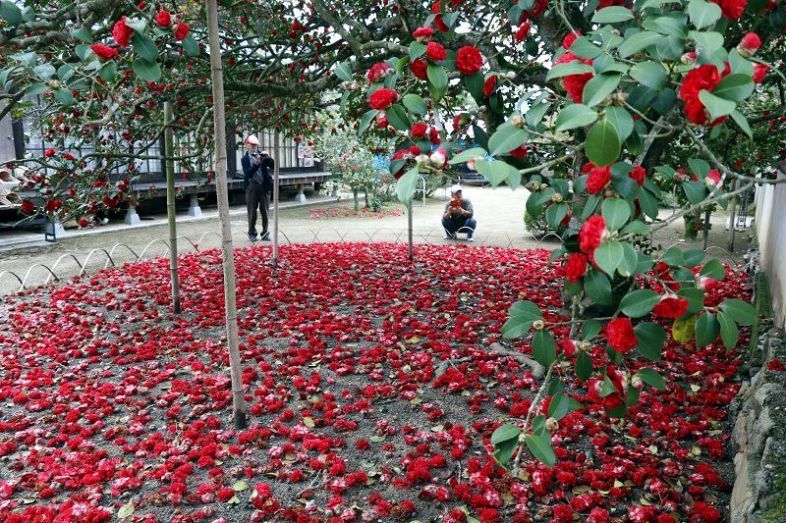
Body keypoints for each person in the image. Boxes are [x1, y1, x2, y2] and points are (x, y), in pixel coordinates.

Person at [241, 135, 274, 241]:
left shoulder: (262, 155)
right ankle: (252, 233)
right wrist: (256, 164)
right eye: (252, 144)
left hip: (264, 185)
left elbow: (274, 166)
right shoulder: (245, 159)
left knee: (265, 211)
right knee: (252, 211)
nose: (254, 147)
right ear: (247, 145)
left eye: (255, 145)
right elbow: (248, 174)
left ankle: (265, 233)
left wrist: (268, 158)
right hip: (252, 186)